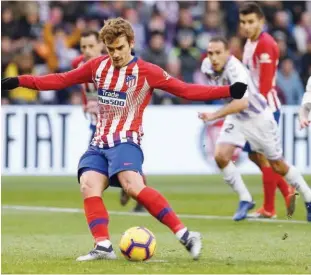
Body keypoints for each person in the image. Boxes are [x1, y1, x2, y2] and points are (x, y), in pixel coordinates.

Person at [1, 17, 247, 261]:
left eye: (119, 48)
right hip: (99, 142)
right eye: (110, 49)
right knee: (88, 183)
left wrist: (227, 91)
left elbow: (185, 89)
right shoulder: (97, 66)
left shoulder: (148, 71)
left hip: (127, 140)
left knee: (132, 185)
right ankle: (103, 246)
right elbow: (60, 80)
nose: (115, 54)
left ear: (131, 42)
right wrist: (20, 81)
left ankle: (186, 235)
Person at [199, 36, 311, 223]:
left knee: (277, 164)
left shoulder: (237, 71)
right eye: (211, 53)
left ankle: (307, 196)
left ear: (228, 54)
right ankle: (246, 198)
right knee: (220, 155)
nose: (214, 57)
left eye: (218, 53)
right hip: (237, 117)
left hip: (258, 117)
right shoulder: (206, 66)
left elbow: (242, 102)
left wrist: (213, 115)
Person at [73, 30, 145, 212]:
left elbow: (123, 95)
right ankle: (118, 188)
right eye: (83, 47)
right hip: (96, 122)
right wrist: (86, 104)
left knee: (117, 161)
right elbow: (84, 89)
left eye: (91, 46)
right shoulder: (78, 64)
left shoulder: (112, 66)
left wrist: (99, 105)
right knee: (97, 162)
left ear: (101, 46)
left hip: (116, 124)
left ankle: (131, 192)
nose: (87, 51)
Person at [239, 2, 296, 219]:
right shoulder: (249, 43)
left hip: (264, 108)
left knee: (264, 157)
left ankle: (270, 207)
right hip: (251, 107)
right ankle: (285, 191)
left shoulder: (266, 44)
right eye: (243, 22)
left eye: (251, 22)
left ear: (261, 22)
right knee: (254, 155)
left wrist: (253, 109)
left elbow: (264, 86)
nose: (246, 26)